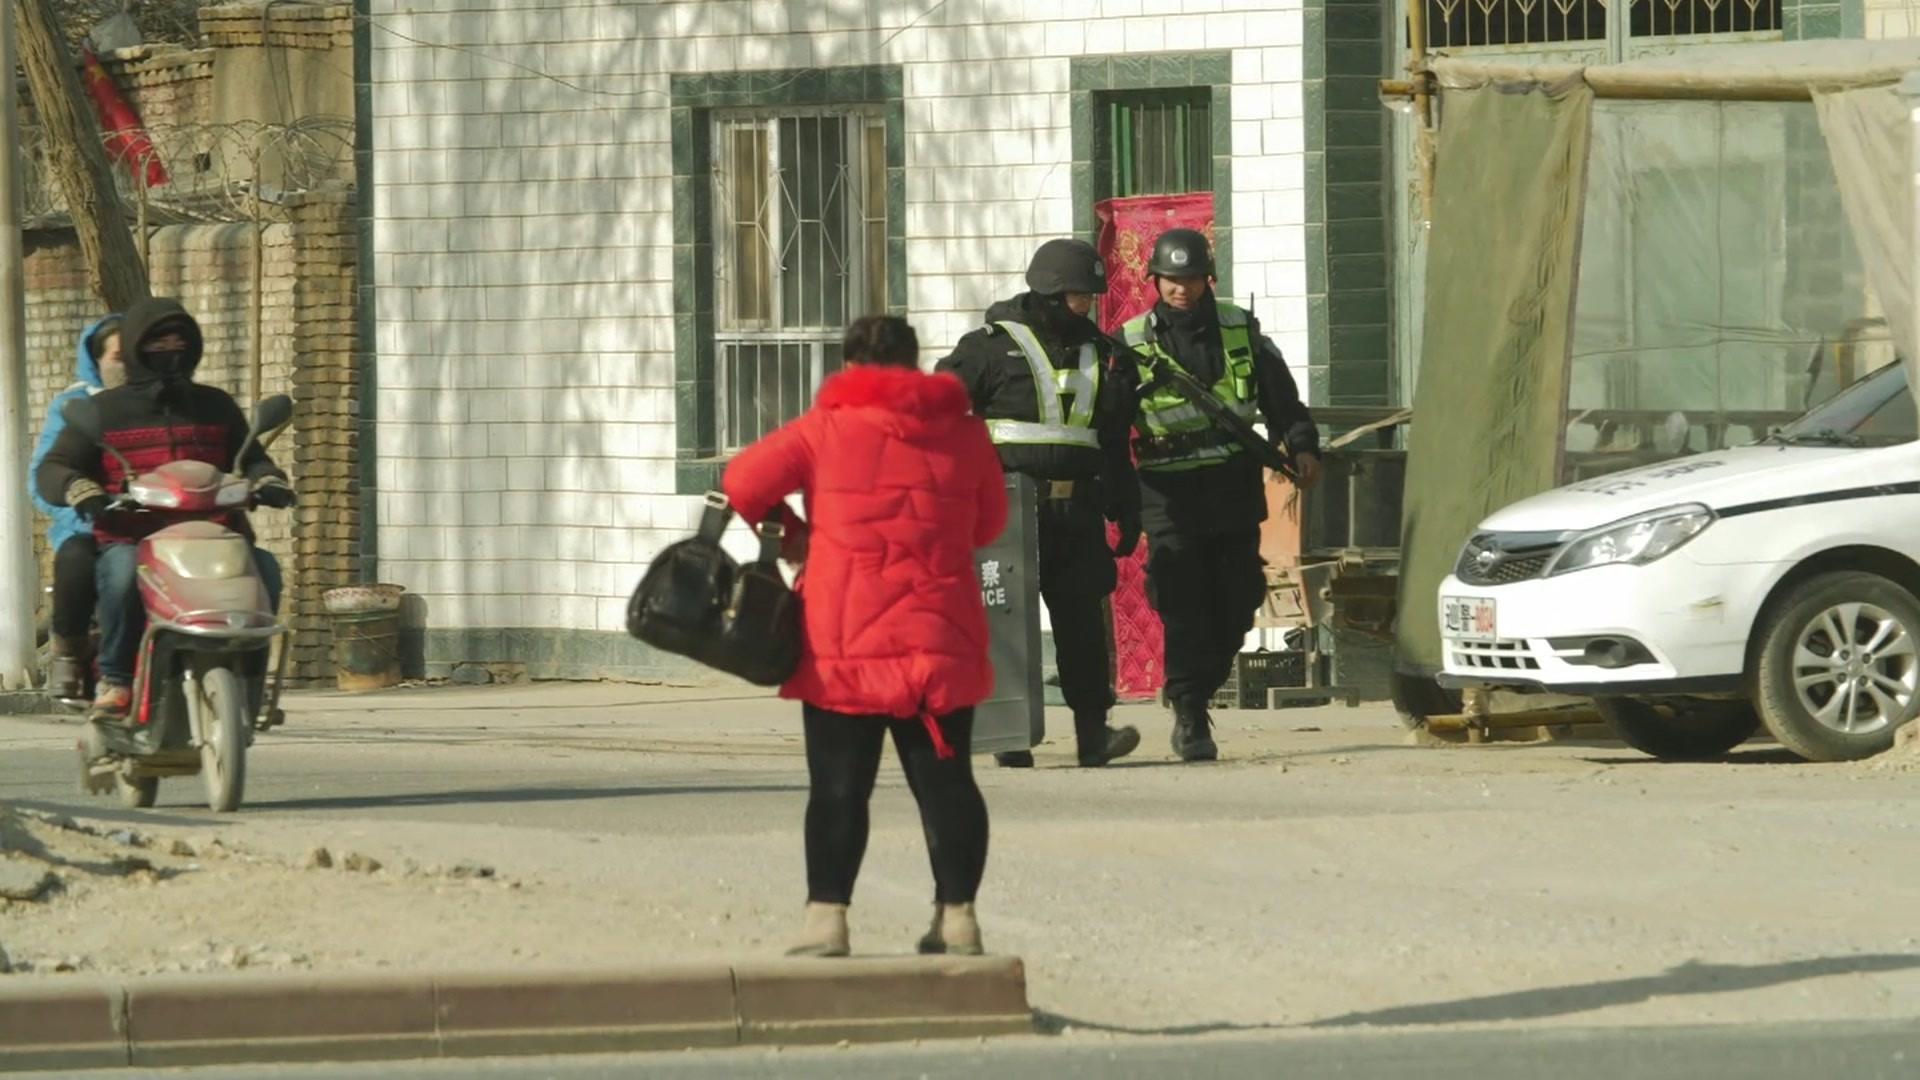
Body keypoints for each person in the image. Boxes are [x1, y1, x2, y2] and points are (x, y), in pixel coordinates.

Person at [723, 315, 1008, 959]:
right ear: (914, 365)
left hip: (842, 638)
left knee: (838, 787)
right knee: (947, 782)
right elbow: (988, 524)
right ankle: (957, 918)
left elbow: (741, 483)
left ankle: (827, 921)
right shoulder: (966, 436)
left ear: (851, 367)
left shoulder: (822, 430)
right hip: (940, 633)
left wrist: (794, 534)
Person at [35, 298, 295, 721]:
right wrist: (78, 487)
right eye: (158, 340)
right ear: (138, 345)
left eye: (179, 339)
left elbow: (251, 458)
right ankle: (116, 680)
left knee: (265, 570)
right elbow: (54, 466)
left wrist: (268, 479)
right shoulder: (103, 410)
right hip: (131, 537)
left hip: (215, 534)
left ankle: (251, 683)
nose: (170, 348)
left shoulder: (215, 404)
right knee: (119, 578)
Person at [937, 239, 1143, 769]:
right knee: (1006, 621)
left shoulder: (1106, 355)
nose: (1086, 305)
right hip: (1006, 509)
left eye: (1091, 296)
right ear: (1049, 291)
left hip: (1078, 510)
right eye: (1078, 295)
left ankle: (1093, 734)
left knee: (1080, 623)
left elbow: (1114, 439)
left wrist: (1126, 503)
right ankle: (1010, 735)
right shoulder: (988, 347)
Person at [1121, 228, 1320, 762]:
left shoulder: (1240, 329)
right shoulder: (1131, 341)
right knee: (1183, 602)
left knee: (1238, 599)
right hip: (1166, 492)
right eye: (1170, 280)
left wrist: (1301, 446)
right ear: (1155, 281)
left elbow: (1283, 400)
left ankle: (1194, 690)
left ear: (1206, 278)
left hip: (1231, 486)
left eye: (1189, 279)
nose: (1180, 290)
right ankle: (1190, 715)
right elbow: (1110, 421)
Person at [29, 315, 123, 700]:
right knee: (77, 559)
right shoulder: (76, 406)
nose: (128, 365)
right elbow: (45, 475)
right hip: (92, 525)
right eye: (118, 355)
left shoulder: (172, 399)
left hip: (165, 521)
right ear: (96, 359)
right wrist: (80, 497)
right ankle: (68, 653)